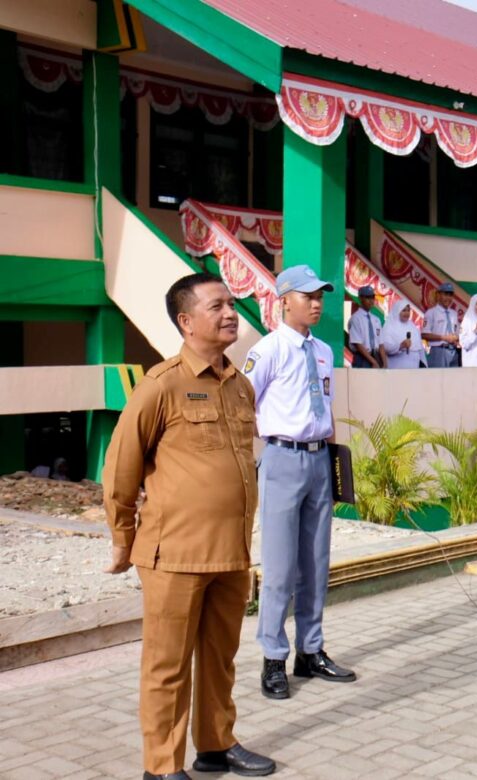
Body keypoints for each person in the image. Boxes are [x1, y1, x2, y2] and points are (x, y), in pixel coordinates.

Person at [103, 272, 275, 779]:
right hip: (173, 554)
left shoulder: (240, 385)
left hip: (231, 553)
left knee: (220, 659)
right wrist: (122, 538)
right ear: (186, 321)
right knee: (168, 666)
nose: (230, 313)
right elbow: (120, 469)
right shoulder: (162, 384)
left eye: (232, 304)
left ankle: (216, 745)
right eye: (217, 305)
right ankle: (161, 766)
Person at [243, 264, 356, 701]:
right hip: (282, 458)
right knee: (279, 566)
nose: (316, 303)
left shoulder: (324, 351)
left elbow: (323, 406)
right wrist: (269, 440)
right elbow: (243, 403)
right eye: (307, 296)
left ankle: (310, 651)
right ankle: (273, 657)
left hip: (318, 461)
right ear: (283, 299)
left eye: (320, 296)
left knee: (315, 561)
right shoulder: (268, 350)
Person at [422, 281, 460, 367]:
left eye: (450, 295)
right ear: (439, 295)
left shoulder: (454, 313)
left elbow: (457, 332)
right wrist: (444, 337)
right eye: (445, 294)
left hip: (453, 351)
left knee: (454, 379)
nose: (448, 298)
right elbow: (424, 334)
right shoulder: (431, 312)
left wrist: (456, 337)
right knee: (437, 379)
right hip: (438, 351)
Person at [381, 298, 427, 369]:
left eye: (408, 310)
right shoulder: (389, 326)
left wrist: (424, 364)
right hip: (397, 366)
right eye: (404, 310)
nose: (407, 313)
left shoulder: (413, 326)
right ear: (397, 311)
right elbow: (385, 347)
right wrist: (400, 346)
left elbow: (420, 349)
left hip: (414, 367)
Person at [347, 285, 383, 368]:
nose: (371, 301)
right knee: (362, 380)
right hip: (362, 357)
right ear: (360, 298)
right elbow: (358, 344)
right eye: (367, 297)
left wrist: (384, 363)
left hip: (376, 356)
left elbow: (381, 343)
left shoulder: (376, 319)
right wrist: (373, 361)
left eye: (372, 297)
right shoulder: (356, 318)